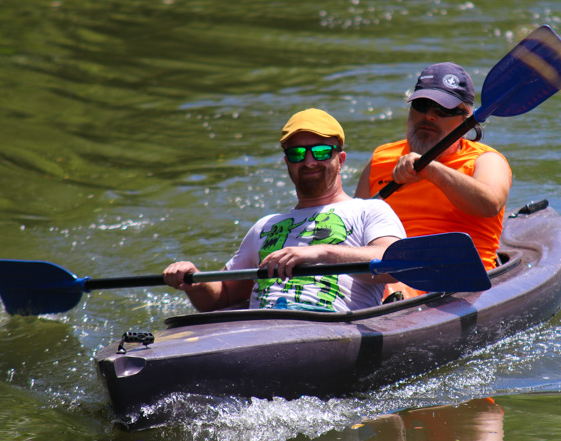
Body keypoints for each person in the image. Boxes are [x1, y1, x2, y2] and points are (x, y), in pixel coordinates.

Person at [164, 108, 406, 313]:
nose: (309, 161)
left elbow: (396, 263)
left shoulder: (370, 210)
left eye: (321, 152)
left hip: (334, 327)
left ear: (340, 159)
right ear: (287, 163)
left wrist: (320, 253)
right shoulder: (265, 226)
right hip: (262, 329)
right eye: (297, 153)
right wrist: (193, 280)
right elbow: (222, 298)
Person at [355, 62, 511, 271]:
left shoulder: (487, 160)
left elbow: (489, 205)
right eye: (421, 105)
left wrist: (431, 169)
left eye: (443, 109)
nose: (429, 115)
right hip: (387, 276)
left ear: (467, 118)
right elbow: (355, 231)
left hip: (459, 276)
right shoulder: (380, 158)